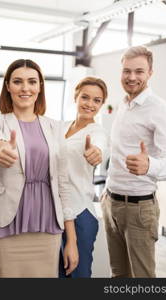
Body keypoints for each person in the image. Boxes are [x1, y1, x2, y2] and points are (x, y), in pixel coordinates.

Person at [0, 59, 78, 278]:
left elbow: (62, 184)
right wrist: (0, 148)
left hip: (48, 224)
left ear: (40, 87)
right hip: (5, 224)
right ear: (8, 86)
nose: (25, 88)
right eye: (18, 81)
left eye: (32, 82)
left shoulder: (54, 127)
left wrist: (72, 240)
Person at [102, 46, 166, 278]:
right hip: (111, 203)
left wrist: (150, 166)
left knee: (142, 279)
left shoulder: (159, 109)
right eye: (127, 71)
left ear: (150, 73)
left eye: (139, 71)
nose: (132, 77)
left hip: (138, 208)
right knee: (118, 275)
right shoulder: (123, 105)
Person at [59, 76, 108, 278]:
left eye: (97, 100)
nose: (90, 104)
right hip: (56, 212)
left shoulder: (97, 132)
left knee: (78, 275)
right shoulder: (61, 127)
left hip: (80, 214)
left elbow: (99, 148)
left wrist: (96, 152)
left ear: (101, 104)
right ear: (75, 97)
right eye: (85, 97)